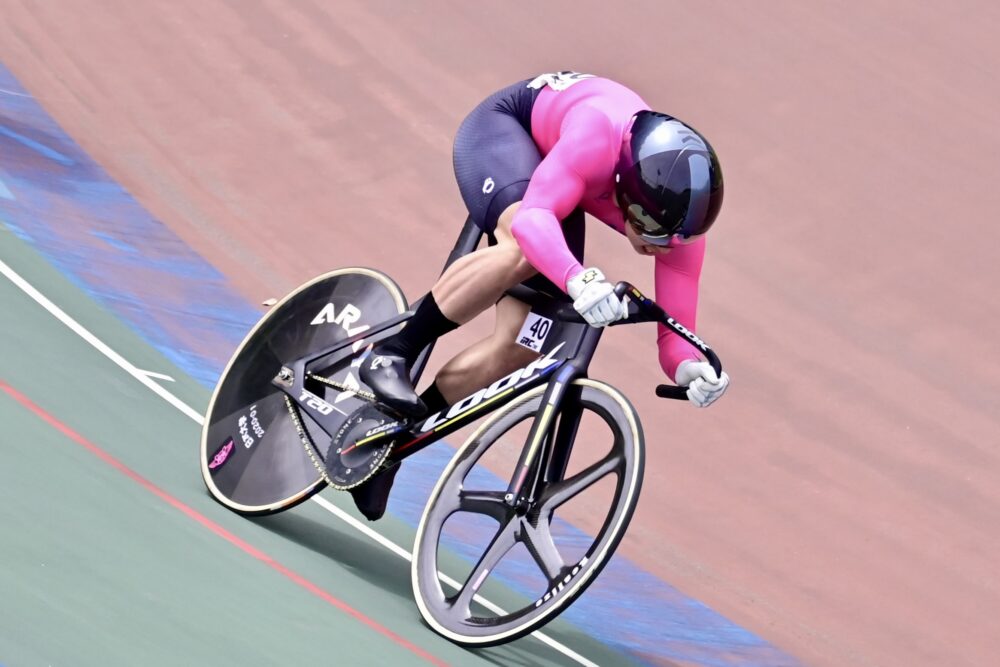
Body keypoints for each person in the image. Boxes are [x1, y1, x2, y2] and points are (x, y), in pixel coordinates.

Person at [351, 71, 730, 520]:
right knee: (522, 249)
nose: (662, 247)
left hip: (559, 176)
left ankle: (395, 439)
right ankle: (391, 353)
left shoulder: (681, 230)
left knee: (522, 345)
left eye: (675, 240)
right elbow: (533, 221)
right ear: (625, 191)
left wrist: (689, 368)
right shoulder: (596, 138)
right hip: (508, 133)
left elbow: (675, 331)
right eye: (651, 230)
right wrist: (577, 279)